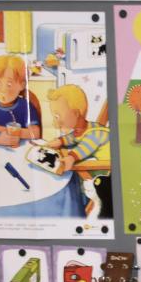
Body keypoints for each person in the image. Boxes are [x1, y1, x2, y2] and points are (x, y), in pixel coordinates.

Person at [43, 84, 111, 220]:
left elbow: (83, 148)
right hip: (96, 170)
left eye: (57, 116)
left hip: (104, 175)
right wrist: (60, 141)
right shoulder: (85, 127)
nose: (55, 121)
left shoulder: (95, 134)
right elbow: (74, 137)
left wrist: (71, 157)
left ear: (75, 113)